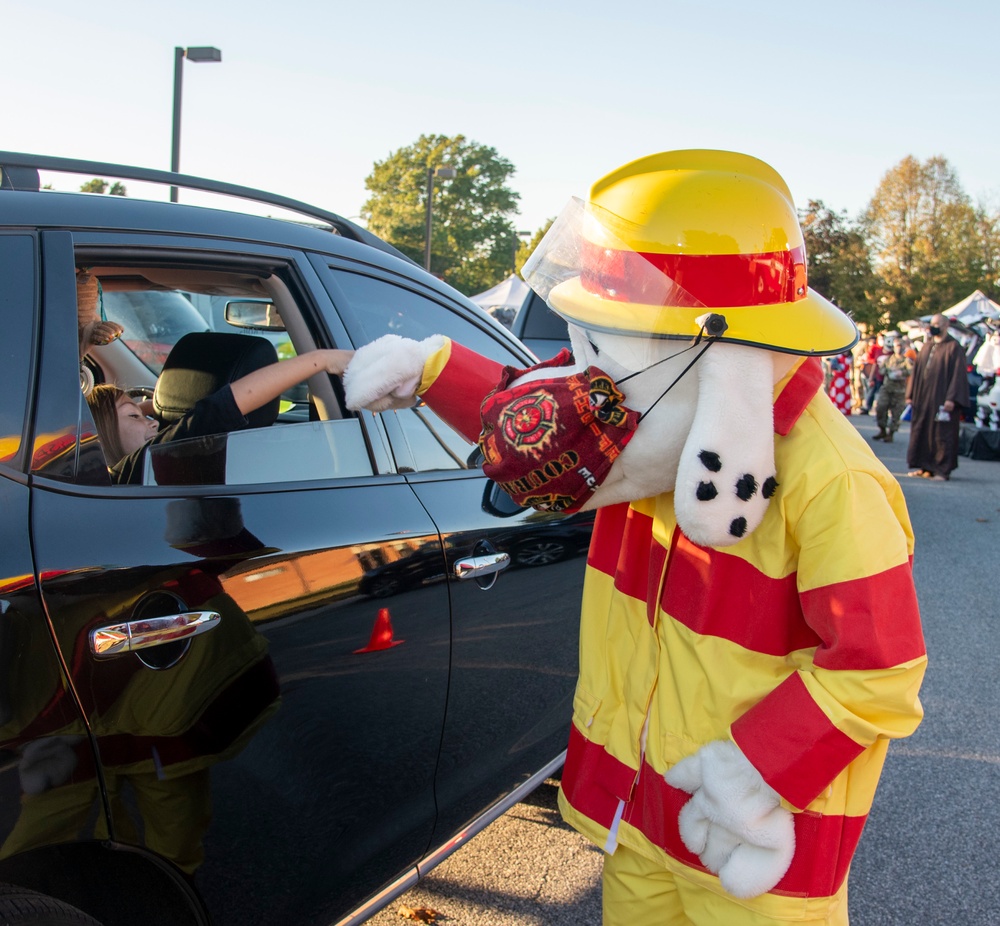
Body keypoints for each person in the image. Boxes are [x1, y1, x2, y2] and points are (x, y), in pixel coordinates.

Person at [344, 150, 926, 926]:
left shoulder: (832, 482)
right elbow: (550, 420)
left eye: (612, 354)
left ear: (721, 358)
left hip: (748, 851)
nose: (593, 393)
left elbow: (878, 669)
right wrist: (436, 370)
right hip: (638, 820)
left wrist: (747, 779)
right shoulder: (650, 413)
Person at [87, 349, 352, 485]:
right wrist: (323, 360)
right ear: (101, 436)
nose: (154, 421)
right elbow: (217, 411)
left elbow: (153, 413)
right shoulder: (140, 465)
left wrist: (150, 407)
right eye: (133, 416)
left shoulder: (98, 481)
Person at [905, 313, 968, 480]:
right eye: (932, 323)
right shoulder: (927, 346)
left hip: (942, 398)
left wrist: (951, 398)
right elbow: (917, 371)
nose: (933, 327)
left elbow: (958, 374)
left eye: (937, 324)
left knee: (941, 434)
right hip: (923, 397)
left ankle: (942, 469)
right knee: (922, 430)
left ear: (945, 326)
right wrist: (910, 394)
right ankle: (925, 466)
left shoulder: (953, 347)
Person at [873, 336, 913, 442]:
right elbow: (881, 371)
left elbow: (911, 371)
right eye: (896, 346)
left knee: (896, 413)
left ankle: (891, 433)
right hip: (887, 388)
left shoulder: (906, 361)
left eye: (900, 346)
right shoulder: (888, 359)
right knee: (881, 408)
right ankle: (882, 430)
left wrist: (902, 373)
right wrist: (888, 370)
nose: (898, 348)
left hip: (899, 391)